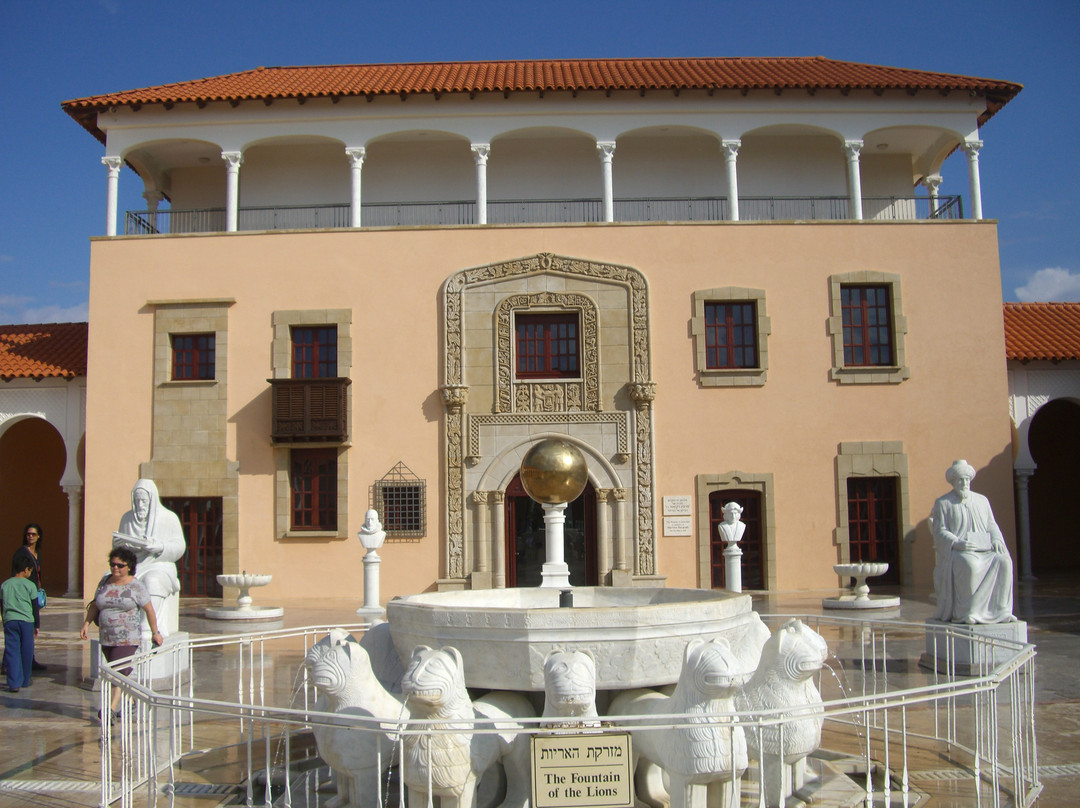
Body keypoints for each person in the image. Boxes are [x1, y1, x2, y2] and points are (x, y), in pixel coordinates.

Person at [80, 548, 164, 721]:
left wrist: (155, 632)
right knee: (121, 674)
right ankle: (134, 701)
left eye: (120, 565)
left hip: (127, 638)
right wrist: (86, 624)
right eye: (112, 564)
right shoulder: (105, 581)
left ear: (129, 566)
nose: (115, 568)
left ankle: (109, 710)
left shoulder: (136, 586)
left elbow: (149, 609)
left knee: (116, 674)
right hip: (107, 637)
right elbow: (95, 604)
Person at [930, 459, 1015, 624]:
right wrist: (956, 543)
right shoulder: (943, 503)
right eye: (961, 480)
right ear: (954, 481)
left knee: (1004, 561)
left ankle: (1002, 610)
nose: (964, 483)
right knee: (969, 565)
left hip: (985, 549)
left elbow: (991, 524)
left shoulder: (982, 501)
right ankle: (970, 612)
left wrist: (997, 540)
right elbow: (940, 531)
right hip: (961, 551)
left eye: (967, 480)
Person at [112, 479, 186, 640]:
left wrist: (160, 547)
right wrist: (119, 545)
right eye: (137, 500)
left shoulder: (168, 518)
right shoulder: (127, 519)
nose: (140, 505)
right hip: (134, 566)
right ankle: (116, 625)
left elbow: (179, 546)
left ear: (152, 500)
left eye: (144, 501)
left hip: (159, 565)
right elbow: (119, 552)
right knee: (109, 578)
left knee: (153, 581)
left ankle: (147, 628)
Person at [12, 523, 47, 672]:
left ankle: (29, 659)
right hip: (25, 595)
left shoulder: (36, 553)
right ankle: (12, 663)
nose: (30, 536)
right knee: (25, 628)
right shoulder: (21, 553)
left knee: (31, 628)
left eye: (33, 534)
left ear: (38, 536)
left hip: (34, 593)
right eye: (28, 534)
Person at [1, 557, 39, 692]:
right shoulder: (30, 585)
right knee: (27, 651)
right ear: (25, 570)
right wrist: (37, 625)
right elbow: (35, 607)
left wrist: (5, 619)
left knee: (12, 651)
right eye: (30, 571)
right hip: (27, 622)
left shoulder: (5, 584)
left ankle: (14, 683)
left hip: (10, 621)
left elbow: (2, 604)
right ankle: (25, 679)